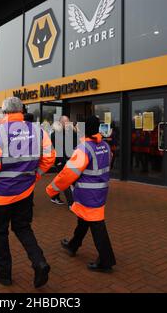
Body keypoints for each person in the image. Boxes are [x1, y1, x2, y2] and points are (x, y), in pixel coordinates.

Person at [0, 97, 55, 288]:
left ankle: (4, 273)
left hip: (2, 193)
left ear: (5, 112)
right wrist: (35, 176)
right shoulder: (38, 131)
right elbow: (49, 158)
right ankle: (39, 262)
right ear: (21, 111)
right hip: (26, 191)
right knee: (23, 228)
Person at [46, 116, 116, 273]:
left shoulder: (84, 148)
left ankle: (106, 260)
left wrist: (52, 189)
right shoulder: (105, 145)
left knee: (96, 225)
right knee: (84, 220)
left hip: (87, 193)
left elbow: (67, 174)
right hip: (100, 191)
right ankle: (73, 245)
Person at [50, 115, 77, 206]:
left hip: (70, 160)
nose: (67, 124)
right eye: (65, 122)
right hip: (60, 161)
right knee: (65, 181)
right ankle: (71, 203)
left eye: (68, 122)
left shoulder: (72, 133)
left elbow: (76, 145)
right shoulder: (55, 134)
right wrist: (63, 161)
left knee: (62, 180)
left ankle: (54, 196)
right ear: (60, 123)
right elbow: (58, 150)